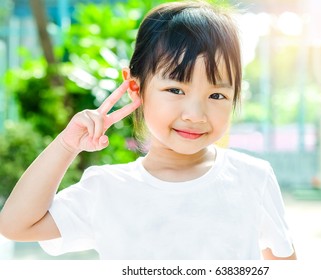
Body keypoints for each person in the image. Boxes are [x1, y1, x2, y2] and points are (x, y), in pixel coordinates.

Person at [0, 1, 296, 260]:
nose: (195, 115)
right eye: (175, 89)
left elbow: (283, 263)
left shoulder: (253, 178)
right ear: (135, 86)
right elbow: (16, 225)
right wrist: (66, 145)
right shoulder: (107, 189)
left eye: (216, 95)